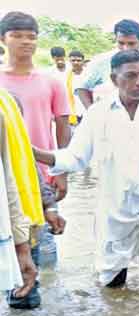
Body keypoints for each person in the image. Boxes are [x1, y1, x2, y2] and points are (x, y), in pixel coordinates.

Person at [32, 50, 139, 293]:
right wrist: (35, 153)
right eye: (131, 76)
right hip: (115, 210)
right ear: (114, 79)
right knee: (113, 283)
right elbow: (75, 158)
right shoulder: (98, 114)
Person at [0, 11, 72, 269]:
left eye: (31, 37)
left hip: (41, 174)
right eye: (17, 36)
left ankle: (43, 300)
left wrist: (62, 171)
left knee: (43, 243)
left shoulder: (51, 82)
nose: (25, 42)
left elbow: (63, 127)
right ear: (2, 39)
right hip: (4, 173)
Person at [0, 89, 64, 309]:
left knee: (23, 297)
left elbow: (25, 174)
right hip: (16, 228)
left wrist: (50, 207)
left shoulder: (5, 104)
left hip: (18, 226)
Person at [76, 19, 139, 116]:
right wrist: (93, 115)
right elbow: (82, 88)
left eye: (131, 44)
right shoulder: (101, 62)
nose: (126, 48)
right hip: (109, 123)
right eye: (121, 43)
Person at [66, 50, 86, 125]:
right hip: (75, 113)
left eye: (78, 60)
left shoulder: (89, 74)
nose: (76, 62)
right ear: (69, 61)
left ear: (83, 61)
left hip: (88, 111)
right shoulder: (66, 76)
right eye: (73, 60)